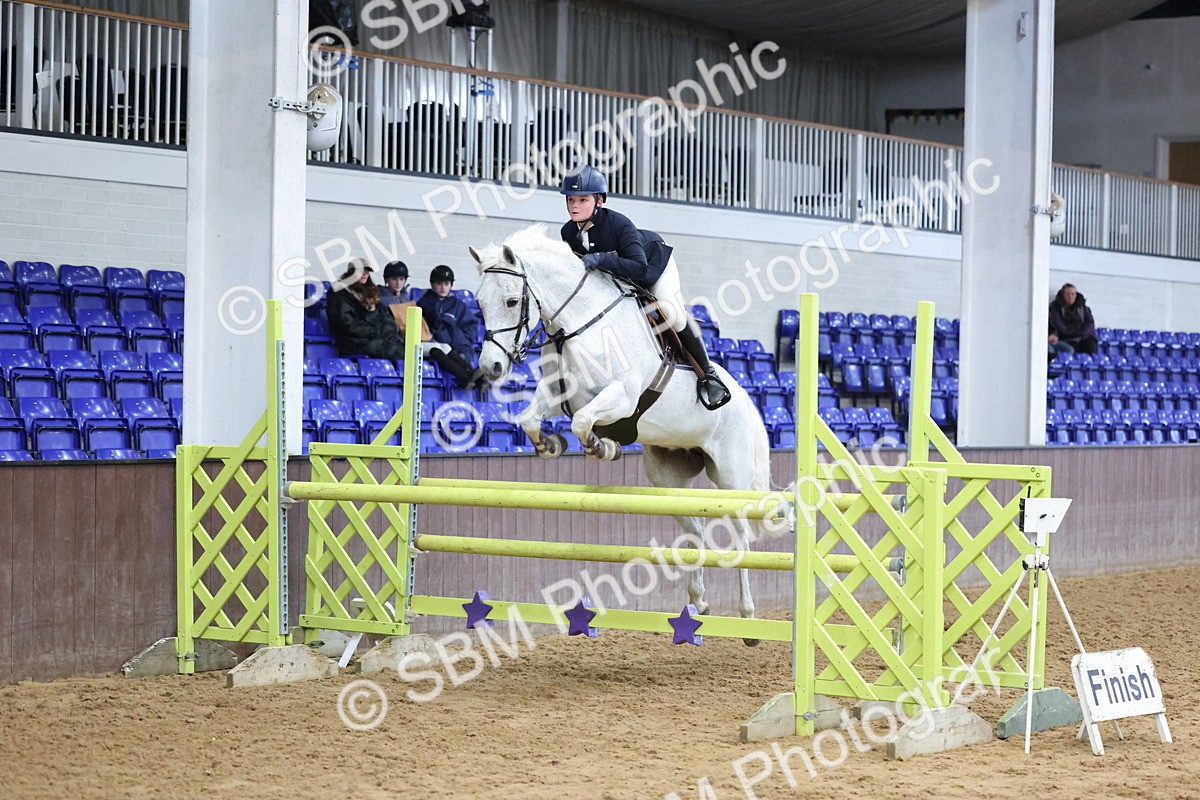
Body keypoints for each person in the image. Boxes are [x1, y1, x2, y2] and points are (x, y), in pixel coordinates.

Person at [558, 165, 731, 410]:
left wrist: (602, 259)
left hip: (652, 267)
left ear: (599, 201)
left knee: (673, 313)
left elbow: (639, 268)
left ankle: (709, 375)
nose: (574, 206)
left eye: (582, 199)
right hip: (616, 278)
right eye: (570, 199)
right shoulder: (568, 232)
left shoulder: (619, 224)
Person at [417, 264, 485, 388]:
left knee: (463, 355)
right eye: (439, 283)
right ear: (432, 285)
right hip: (438, 345)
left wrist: (465, 341)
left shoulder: (459, 305)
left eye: (446, 284)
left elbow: (471, 326)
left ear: (451, 285)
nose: (443, 287)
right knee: (444, 350)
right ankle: (473, 378)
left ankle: (475, 378)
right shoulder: (424, 304)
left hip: (459, 346)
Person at [324, 258, 406, 361]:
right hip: (354, 343)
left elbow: (386, 317)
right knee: (399, 353)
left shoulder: (370, 293)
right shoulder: (339, 294)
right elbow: (346, 325)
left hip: (375, 340)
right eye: (360, 271)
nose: (364, 274)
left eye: (367, 271)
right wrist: (375, 330)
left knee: (407, 350)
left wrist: (385, 330)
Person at [1048, 283, 1098, 355]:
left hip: (1083, 336)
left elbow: (1089, 323)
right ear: (1063, 295)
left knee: (1091, 345)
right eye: (1067, 294)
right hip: (1066, 338)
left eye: (1073, 294)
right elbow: (1059, 325)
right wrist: (1073, 333)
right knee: (1072, 348)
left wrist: (1081, 333)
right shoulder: (1055, 308)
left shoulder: (1084, 308)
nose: (1070, 296)